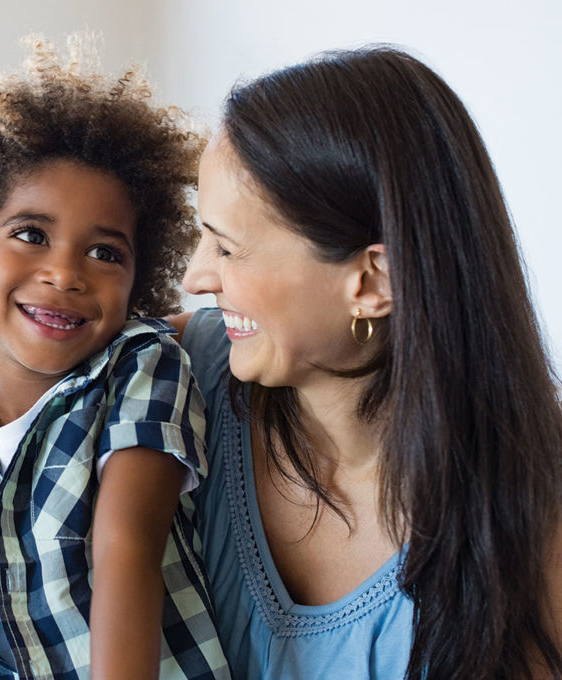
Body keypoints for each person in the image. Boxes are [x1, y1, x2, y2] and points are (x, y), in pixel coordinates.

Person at [171, 44, 562, 679]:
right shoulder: (177, 379)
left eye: (229, 248)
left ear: (373, 280)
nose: (196, 276)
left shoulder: (537, 517)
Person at [0, 36, 229, 680]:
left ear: (137, 286)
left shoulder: (142, 367)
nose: (64, 272)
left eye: (105, 253)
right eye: (31, 235)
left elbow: (126, 552)